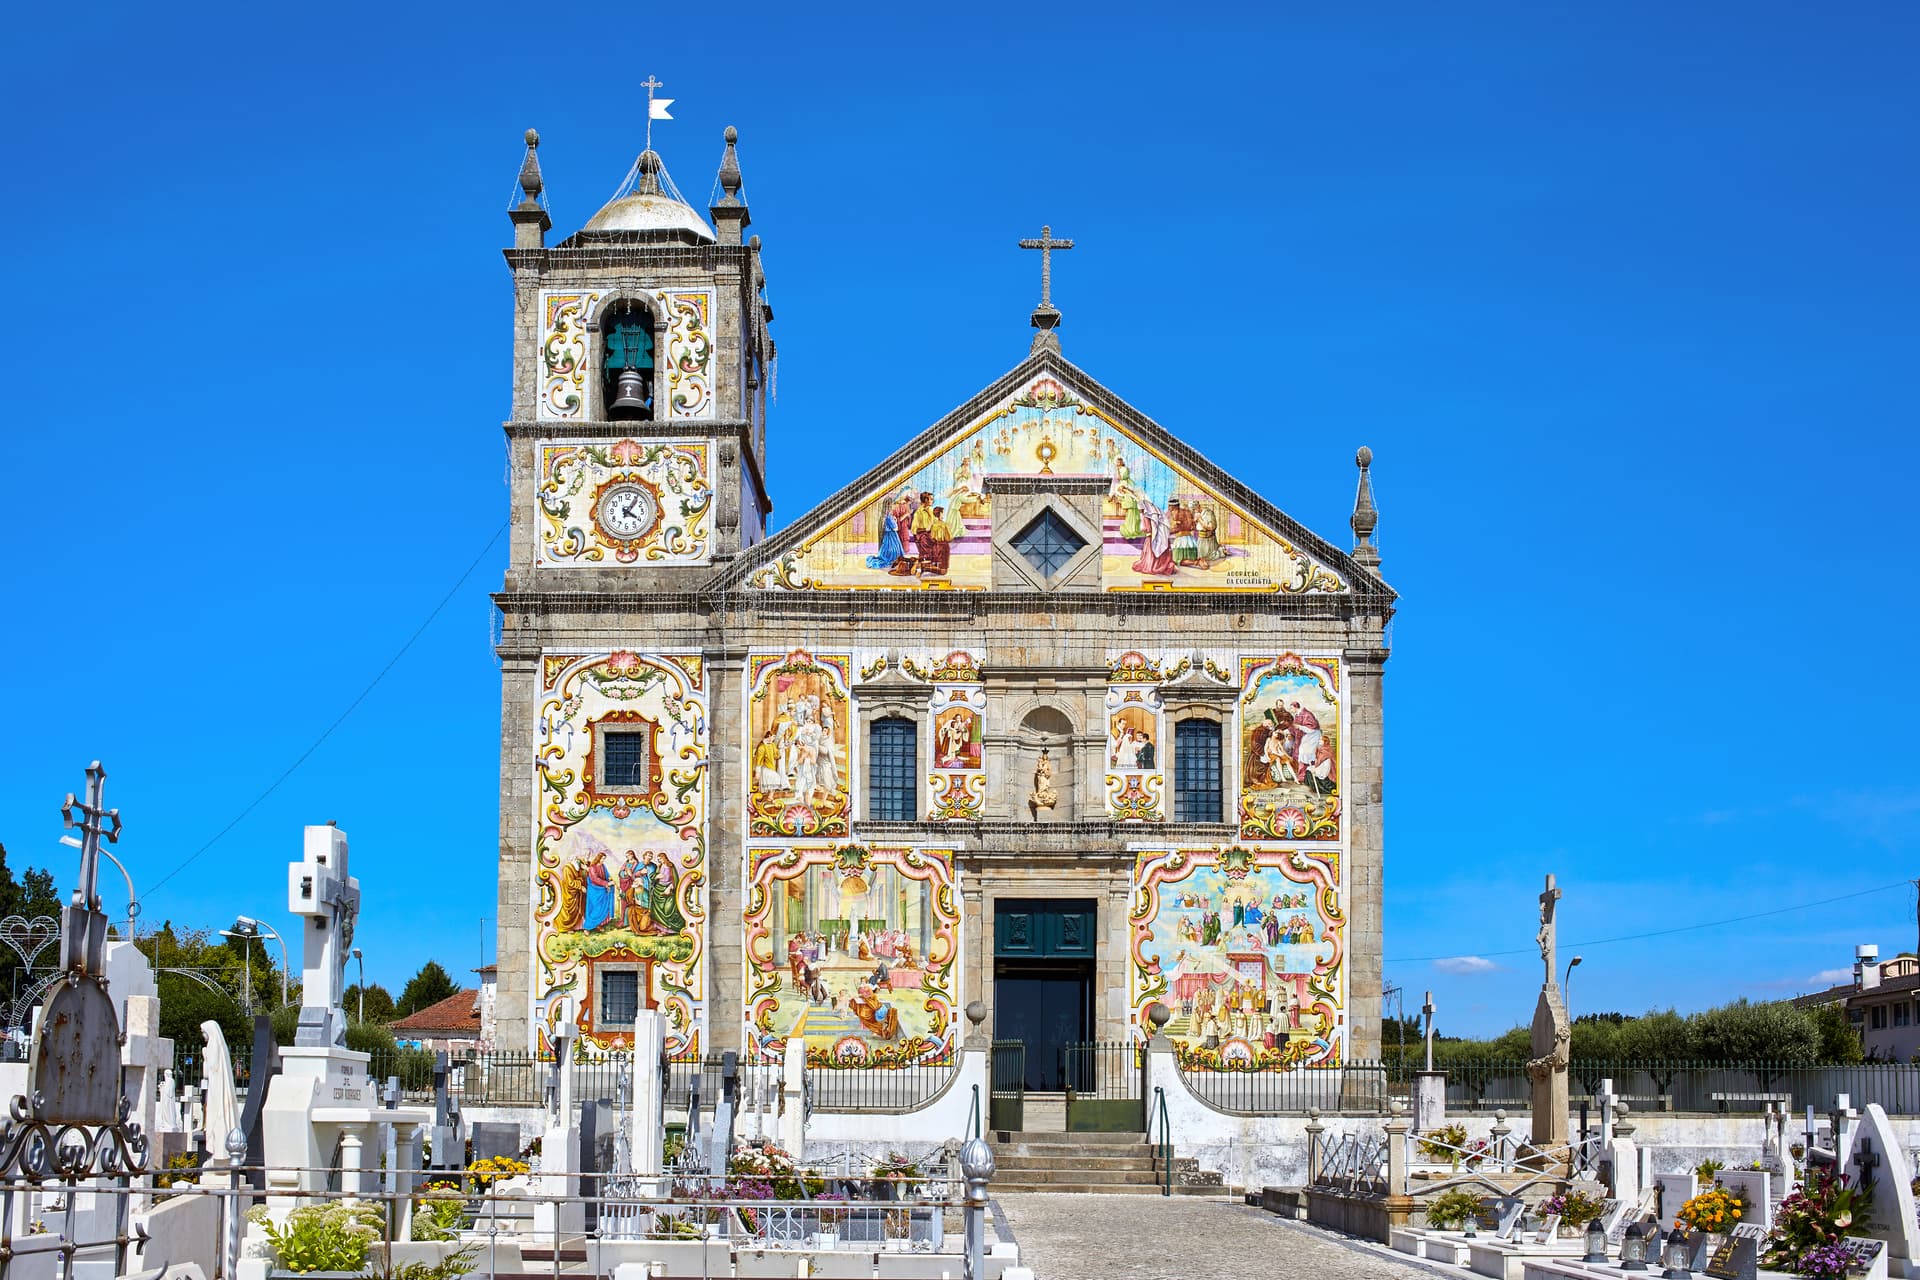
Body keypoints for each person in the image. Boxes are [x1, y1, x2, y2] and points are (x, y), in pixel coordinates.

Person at [1132, 495, 1176, 576]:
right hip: (1160, 538)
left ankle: (1156, 566)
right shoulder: (1156, 514)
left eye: (1141, 510)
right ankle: (1161, 565)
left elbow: (1145, 529)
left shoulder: (1146, 516)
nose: (1140, 511)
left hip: (1151, 539)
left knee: (1152, 554)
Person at [646, 852, 685, 935]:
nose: (660, 861)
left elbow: (675, 879)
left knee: (668, 909)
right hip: (658, 890)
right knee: (657, 911)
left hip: (669, 890)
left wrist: (670, 887)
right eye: (658, 859)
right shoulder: (659, 866)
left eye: (660, 858)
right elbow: (653, 876)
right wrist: (657, 876)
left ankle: (670, 929)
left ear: (664, 857)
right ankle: (662, 930)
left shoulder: (671, 866)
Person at [864, 492, 905, 569]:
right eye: (892, 505)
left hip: (886, 536)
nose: (893, 507)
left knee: (887, 549)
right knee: (895, 551)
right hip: (892, 536)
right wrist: (895, 521)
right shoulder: (889, 516)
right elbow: (895, 528)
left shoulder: (884, 515)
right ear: (889, 506)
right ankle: (894, 560)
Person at [582, 852, 616, 931]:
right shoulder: (592, 867)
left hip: (602, 890)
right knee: (595, 909)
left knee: (602, 908)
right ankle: (587, 928)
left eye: (604, 858)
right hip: (594, 890)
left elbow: (607, 875)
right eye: (603, 858)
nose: (603, 860)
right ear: (598, 858)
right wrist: (607, 883)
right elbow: (595, 879)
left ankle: (598, 924)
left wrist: (610, 880)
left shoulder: (603, 866)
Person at [919, 506, 953, 575]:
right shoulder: (944, 524)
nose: (944, 514)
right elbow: (949, 538)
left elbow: (930, 535)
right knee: (943, 571)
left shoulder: (933, 524)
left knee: (938, 564)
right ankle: (925, 568)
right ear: (940, 514)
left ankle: (926, 567)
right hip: (943, 547)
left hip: (935, 546)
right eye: (943, 513)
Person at [752, 730, 785, 796]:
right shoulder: (762, 747)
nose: (773, 738)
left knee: (773, 782)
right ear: (769, 736)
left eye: (774, 737)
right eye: (773, 737)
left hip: (771, 767)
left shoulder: (772, 745)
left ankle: (770, 796)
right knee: (775, 779)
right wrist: (757, 772)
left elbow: (776, 756)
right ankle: (769, 796)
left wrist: (781, 752)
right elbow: (759, 760)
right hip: (765, 768)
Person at [1169, 498, 1198, 564]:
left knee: (1177, 559)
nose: (1169, 508)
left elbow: (1178, 528)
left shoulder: (1176, 513)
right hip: (1190, 539)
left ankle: (1195, 562)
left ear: (1174, 506)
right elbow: (1192, 526)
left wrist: (1168, 532)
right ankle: (1195, 562)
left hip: (1181, 539)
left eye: (1170, 506)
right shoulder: (1187, 511)